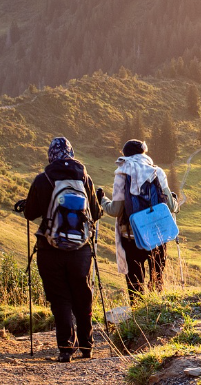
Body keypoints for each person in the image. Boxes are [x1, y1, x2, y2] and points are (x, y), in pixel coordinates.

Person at [24, 137, 102, 363]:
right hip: (81, 250)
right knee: (82, 294)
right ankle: (87, 345)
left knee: (59, 297)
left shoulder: (43, 179)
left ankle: (66, 348)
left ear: (51, 155)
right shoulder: (84, 178)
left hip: (50, 248)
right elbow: (95, 214)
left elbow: (30, 213)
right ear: (71, 153)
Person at [101, 139, 178, 302]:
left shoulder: (122, 173)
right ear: (144, 153)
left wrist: (102, 200)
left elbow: (115, 210)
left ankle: (138, 315)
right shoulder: (157, 172)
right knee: (157, 281)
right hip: (158, 236)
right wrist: (175, 202)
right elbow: (170, 206)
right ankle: (158, 316)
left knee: (135, 284)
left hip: (132, 236)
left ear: (126, 155)